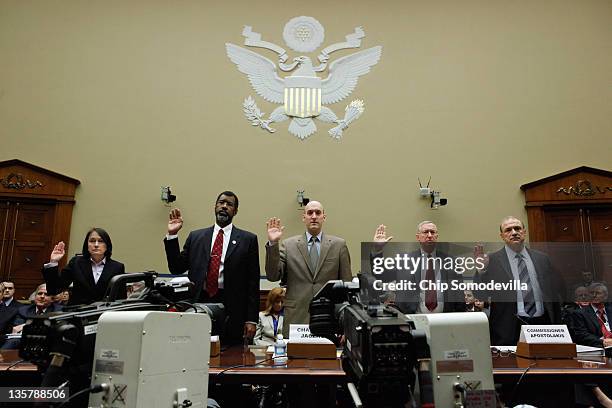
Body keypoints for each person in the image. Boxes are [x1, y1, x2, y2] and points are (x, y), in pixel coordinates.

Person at [164, 191, 260, 345]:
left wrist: (251, 320)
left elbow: (253, 282)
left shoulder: (248, 240)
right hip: (198, 303)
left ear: (235, 211)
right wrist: (172, 235)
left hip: (232, 309)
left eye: (229, 204)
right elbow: (176, 268)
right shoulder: (196, 237)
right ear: (215, 206)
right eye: (221, 202)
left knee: (230, 356)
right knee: (196, 350)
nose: (224, 206)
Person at [265, 200, 352, 338]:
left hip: (328, 317)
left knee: (327, 359)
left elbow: (347, 286)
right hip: (297, 317)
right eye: (310, 213)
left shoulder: (339, 245)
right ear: (303, 217)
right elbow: (272, 276)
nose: (314, 216)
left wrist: (346, 325)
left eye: (318, 213)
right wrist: (273, 244)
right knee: (296, 359)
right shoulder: (289, 245)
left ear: (324, 217)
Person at [474, 216, 561, 345]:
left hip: (543, 324)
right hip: (508, 327)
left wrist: (558, 325)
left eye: (517, 228)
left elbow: (553, 293)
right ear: (502, 236)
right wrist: (481, 271)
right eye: (508, 230)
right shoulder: (492, 260)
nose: (514, 232)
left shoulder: (542, 259)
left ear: (524, 232)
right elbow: (480, 294)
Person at [372, 222, 465, 314]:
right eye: (425, 232)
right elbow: (381, 275)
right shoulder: (404, 260)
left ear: (437, 237)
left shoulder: (451, 261)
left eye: (432, 232)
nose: (429, 235)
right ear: (418, 237)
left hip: (444, 320)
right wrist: (377, 250)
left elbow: (459, 295)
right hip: (412, 318)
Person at [42, 228, 125, 305]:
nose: (96, 245)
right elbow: (54, 289)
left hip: (104, 315)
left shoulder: (117, 267)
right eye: (92, 241)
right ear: (87, 245)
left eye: (100, 241)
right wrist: (53, 262)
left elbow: (120, 298)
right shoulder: (76, 262)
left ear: (107, 245)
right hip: (78, 314)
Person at [2, 283, 62, 349]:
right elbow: (17, 329)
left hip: (47, 342)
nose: (42, 296)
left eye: (46, 294)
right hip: (25, 340)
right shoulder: (24, 310)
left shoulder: (58, 310)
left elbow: (57, 329)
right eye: (39, 294)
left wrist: (28, 325)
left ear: (52, 299)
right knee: (13, 341)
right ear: (35, 296)